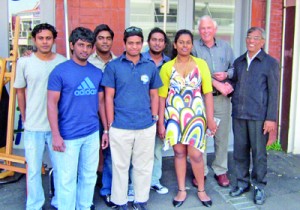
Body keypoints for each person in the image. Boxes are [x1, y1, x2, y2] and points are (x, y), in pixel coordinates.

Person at [47, 27, 109, 210]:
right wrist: (56, 135)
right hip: (68, 136)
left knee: (89, 176)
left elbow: (101, 104)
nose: (84, 50)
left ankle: (83, 206)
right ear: (72, 45)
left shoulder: (96, 73)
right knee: (66, 179)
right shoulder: (60, 72)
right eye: (81, 45)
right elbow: (51, 104)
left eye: (88, 46)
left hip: (91, 133)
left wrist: (105, 130)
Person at [101, 26, 162, 210]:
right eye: (130, 43)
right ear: (124, 44)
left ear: (141, 43)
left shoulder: (150, 66)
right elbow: (108, 97)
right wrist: (110, 125)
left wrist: (154, 118)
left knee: (143, 166)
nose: (134, 47)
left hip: (145, 125)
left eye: (137, 43)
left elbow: (154, 95)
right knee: (120, 166)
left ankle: (140, 200)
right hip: (120, 126)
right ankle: (120, 202)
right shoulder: (113, 66)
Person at [158, 29, 217, 208]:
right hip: (174, 117)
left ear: (192, 45)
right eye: (181, 42)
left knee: (196, 154)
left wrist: (211, 119)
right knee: (179, 153)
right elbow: (161, 96)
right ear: (175, 45)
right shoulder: (167, 67)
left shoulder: (201, 64)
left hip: (196, 117)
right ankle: (182, 190)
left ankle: (201, 190)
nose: (184, 45)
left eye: (188, 42)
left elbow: (207, 93)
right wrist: (160, 122)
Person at [14, 23, 66, 210]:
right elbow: (20, 90)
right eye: (41, 38)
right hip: (33, 126)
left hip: (57, 127)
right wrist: (25, 115)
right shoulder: (24, 62)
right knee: (34, 170)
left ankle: (61, 203)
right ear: (34, 40)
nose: (45, 42)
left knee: (60, 169)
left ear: (53, 40)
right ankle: (34, 205)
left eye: (48, 38)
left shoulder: (62, 62)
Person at [229, 27, 279, 205]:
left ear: (262, 41)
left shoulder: (270, 63)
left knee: (259, 154)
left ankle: (259, 186)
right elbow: (233, 85)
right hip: (239, 114)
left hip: (259, 116)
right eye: (249, 37)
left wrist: (271, 118)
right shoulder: (239, 62)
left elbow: (274, 93)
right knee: (239, 152)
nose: (251, 41)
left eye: (256, 38)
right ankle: (242, 183)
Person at [127, 27, 170, 201]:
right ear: (148, 42)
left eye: (161, 40)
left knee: (157, 148)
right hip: (140, 110)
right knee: (135, 151)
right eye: (154, 39)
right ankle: (132, 185)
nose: (157, 43)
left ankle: (154, 180)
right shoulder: (139, 59)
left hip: (161, 110)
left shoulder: (169, 62)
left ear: (165, 44)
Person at [192, 15, 234, 188]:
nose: (206, 31)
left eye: (209, 28)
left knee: (221, 136)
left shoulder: (225, 46)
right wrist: (215, 82)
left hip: (221, 99)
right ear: (199, 30)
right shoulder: (193, 47)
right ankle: (199, 171)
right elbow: (194, 71)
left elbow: (234, 68)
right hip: (199, 98)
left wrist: (227, 75)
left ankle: (220, 170)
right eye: (203, 28)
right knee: (199, 135)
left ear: (215, 30)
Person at [88, 24, 117, 208]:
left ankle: (107, 190)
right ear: (95, 40)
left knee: (110, 154)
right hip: (90, 116)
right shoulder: (87, 61)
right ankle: (86, 194)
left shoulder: (118, 62)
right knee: (89, 155)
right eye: (101, 38)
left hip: (112, 115)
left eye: (108, 38)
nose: (105, 41)